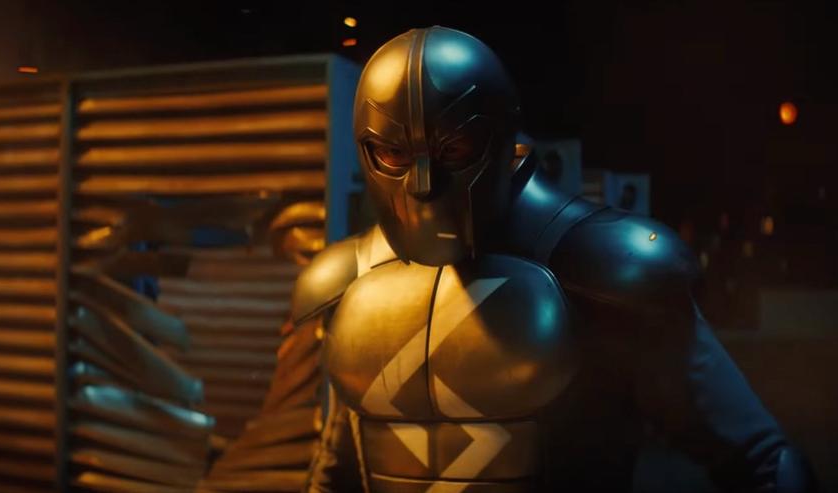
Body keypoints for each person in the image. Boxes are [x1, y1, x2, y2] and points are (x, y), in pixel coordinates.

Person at [293, 26, 816, 492]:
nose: (424, 185)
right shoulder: (349, 280)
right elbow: (339, 465)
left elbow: (765, 464)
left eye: (454, 149)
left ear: (502, 141)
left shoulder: (601, 273)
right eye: (393, 153)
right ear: (367, 151)